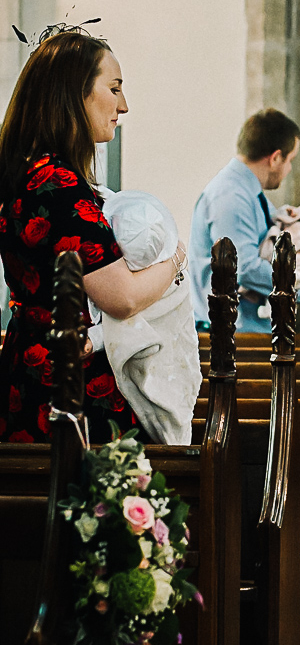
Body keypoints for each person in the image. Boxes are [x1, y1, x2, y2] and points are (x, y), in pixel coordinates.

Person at [0, 27, 186, 444]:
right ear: (74, 94)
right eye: (114, 88)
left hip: (34, 366)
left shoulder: (29, 170)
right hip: (68, 385)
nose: (124, 105)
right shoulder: (57, 184)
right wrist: (175, 259)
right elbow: (122, 298)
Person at [189, 109, 300, 334]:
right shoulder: (231, 196)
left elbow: (283, 224)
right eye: (290, 160)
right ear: (276, 158)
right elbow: (245, 268)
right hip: (229, 336)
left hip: (245, 331)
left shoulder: (248, 191)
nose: (289, 169)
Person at [92, 190, 202, 446]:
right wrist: (177, 256)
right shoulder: (166, 265)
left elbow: (130, 318)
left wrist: (92, 338)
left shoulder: (165, 284)